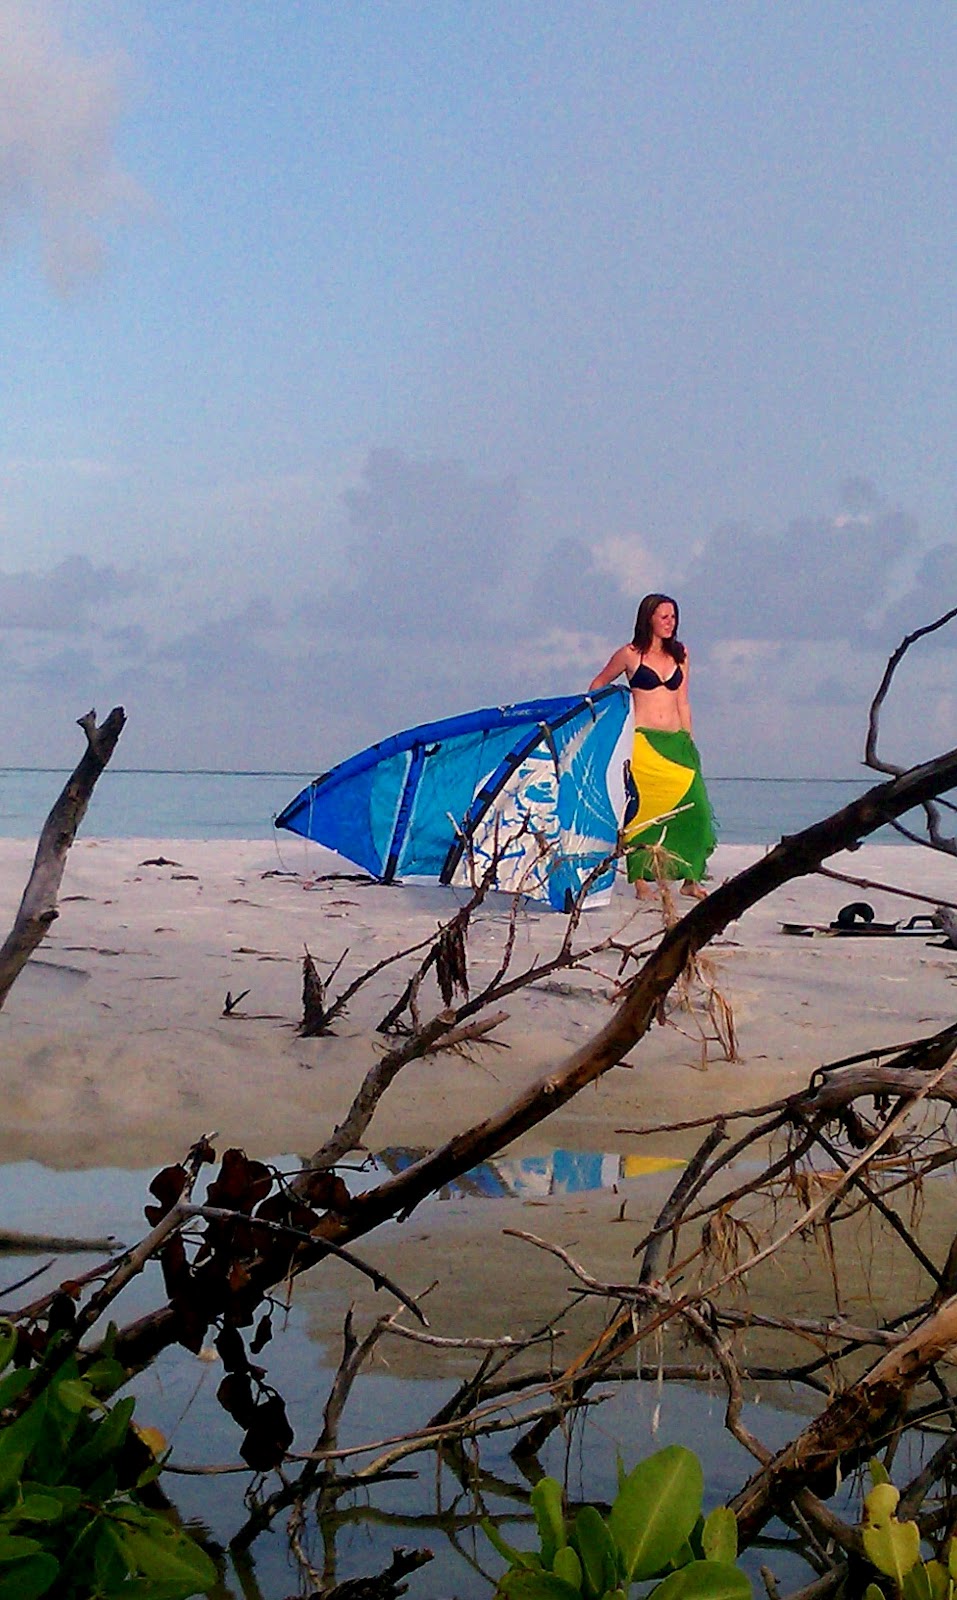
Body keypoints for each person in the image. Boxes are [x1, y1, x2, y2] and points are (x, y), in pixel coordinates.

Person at [589, 593, 715, 899]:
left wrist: (689, 739)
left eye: (673, 617)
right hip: (642, 742)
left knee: (695, 809)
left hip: (675, 741)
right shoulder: (630, 654)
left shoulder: (680, 653)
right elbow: (597, 685)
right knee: (643, 812)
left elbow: (683, 700)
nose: (670, 623)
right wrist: (612, 717)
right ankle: (641, 883)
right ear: (649, 619)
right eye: (664, 617)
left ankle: (690, 879)